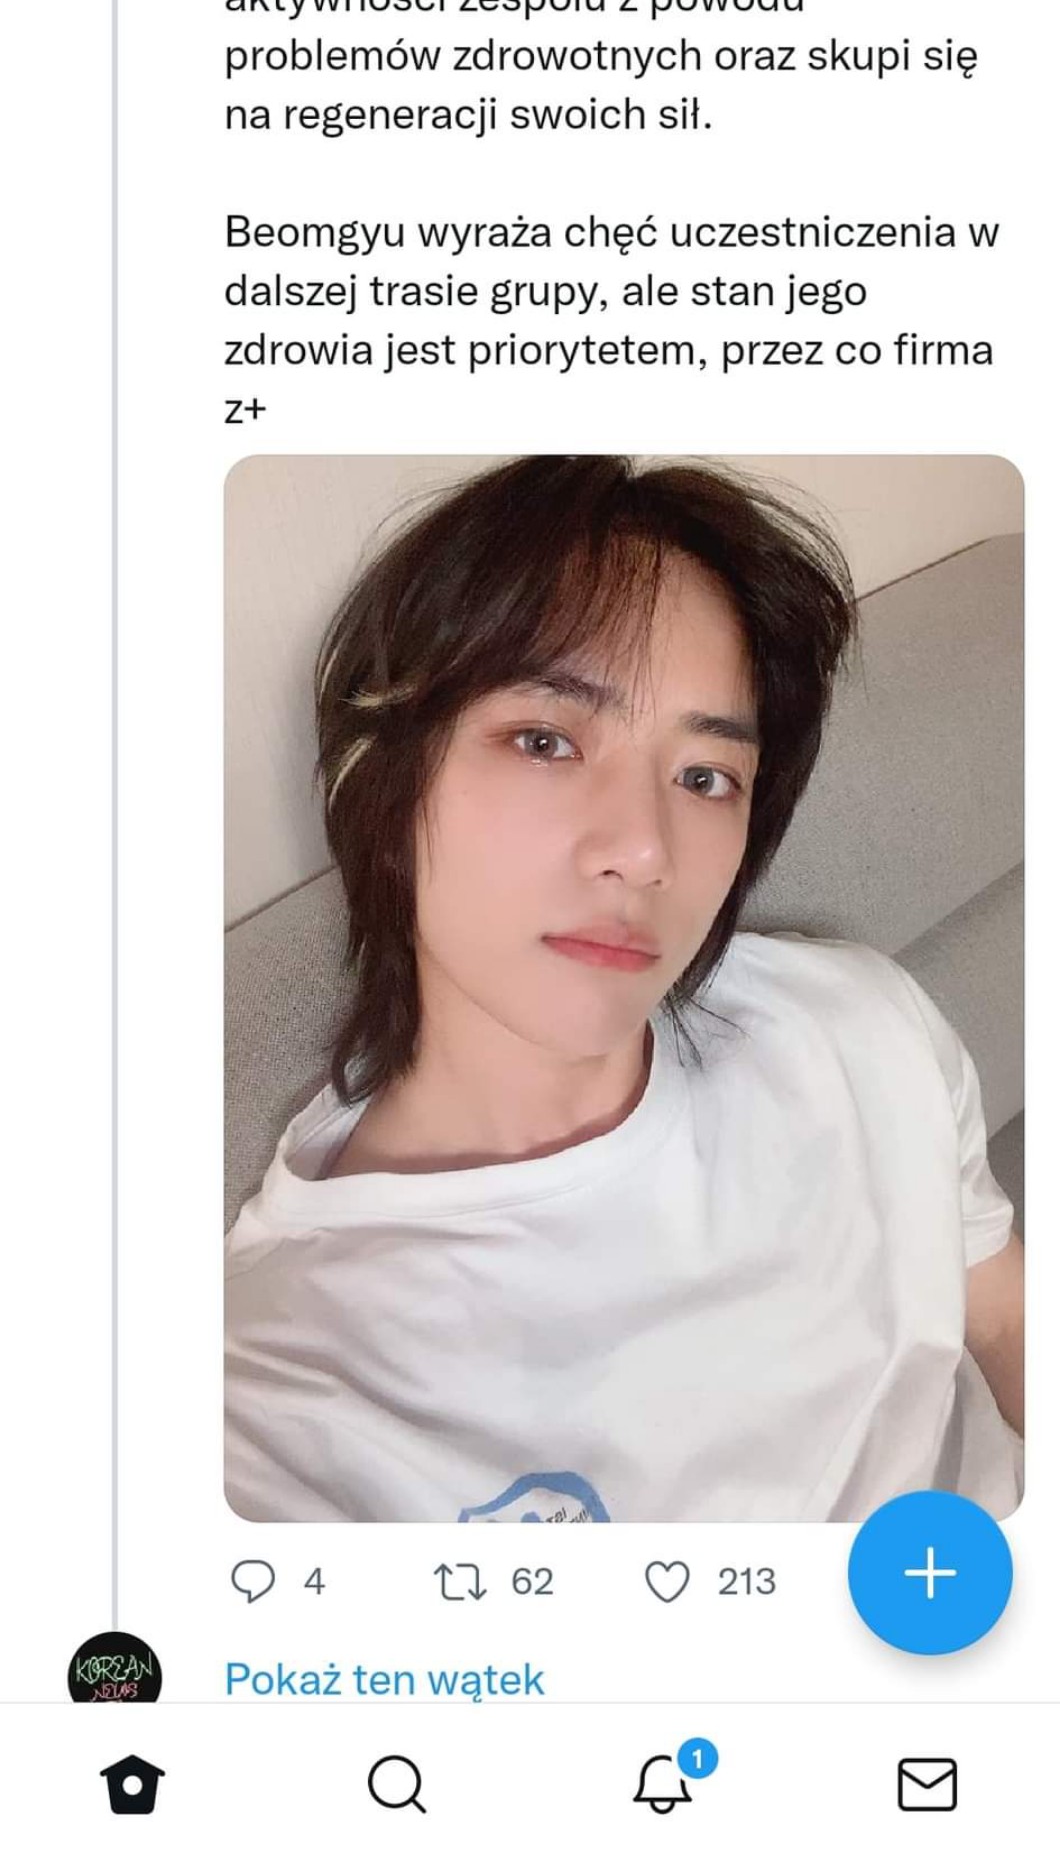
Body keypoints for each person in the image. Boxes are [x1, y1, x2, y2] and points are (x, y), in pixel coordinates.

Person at [225, 455, 1023, 1524]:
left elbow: (1002, 1314)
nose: (646, 849)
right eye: (545, 739)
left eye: (704, 776)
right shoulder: (276, 1400)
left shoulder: (857, 1023)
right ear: (381, 784)